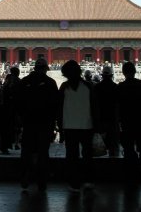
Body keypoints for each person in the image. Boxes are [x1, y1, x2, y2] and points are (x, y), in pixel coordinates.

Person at [13, 58, 59, 192]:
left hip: (28, 123)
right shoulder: (50, 83)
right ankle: (42, 181)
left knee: (26, 151)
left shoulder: (24, 82)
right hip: (44, 124)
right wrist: (53, 122)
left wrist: (22, 117)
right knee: (43, 152)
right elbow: (55, 105)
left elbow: (17, 102)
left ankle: (25, 177)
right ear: (45, 69)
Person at [58, 59, 100, 192]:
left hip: (70, 126)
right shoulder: (88, 86)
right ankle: (89, 180)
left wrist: (59, 125)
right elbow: (95, 108)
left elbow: (59, 108)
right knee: (87, 155)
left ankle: (74, 183)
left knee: (72, 156)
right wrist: (96, 125)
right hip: (87, 126)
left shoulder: (64, 87)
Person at [117, 61, 141, 179]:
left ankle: (131, 174)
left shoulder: (120, 87)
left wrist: (117, 123)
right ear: (135, 71)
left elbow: (117, 108)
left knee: (128, 150)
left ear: (123, 73)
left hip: (127, 123)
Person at [94, 65, 120, 157]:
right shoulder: (116, 87)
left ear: (102, 75)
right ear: (111, 75)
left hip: (101, 120)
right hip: (113, 120)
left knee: (101, 146)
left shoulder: (96, 88)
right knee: (113, 145)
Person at [0, 70, 20, 154]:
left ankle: (3, 146)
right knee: (13, 128)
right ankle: (7, 146)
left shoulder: (7, 82)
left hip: (5, 109)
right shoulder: (17, 81)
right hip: (13, 109)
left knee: (5, 129)